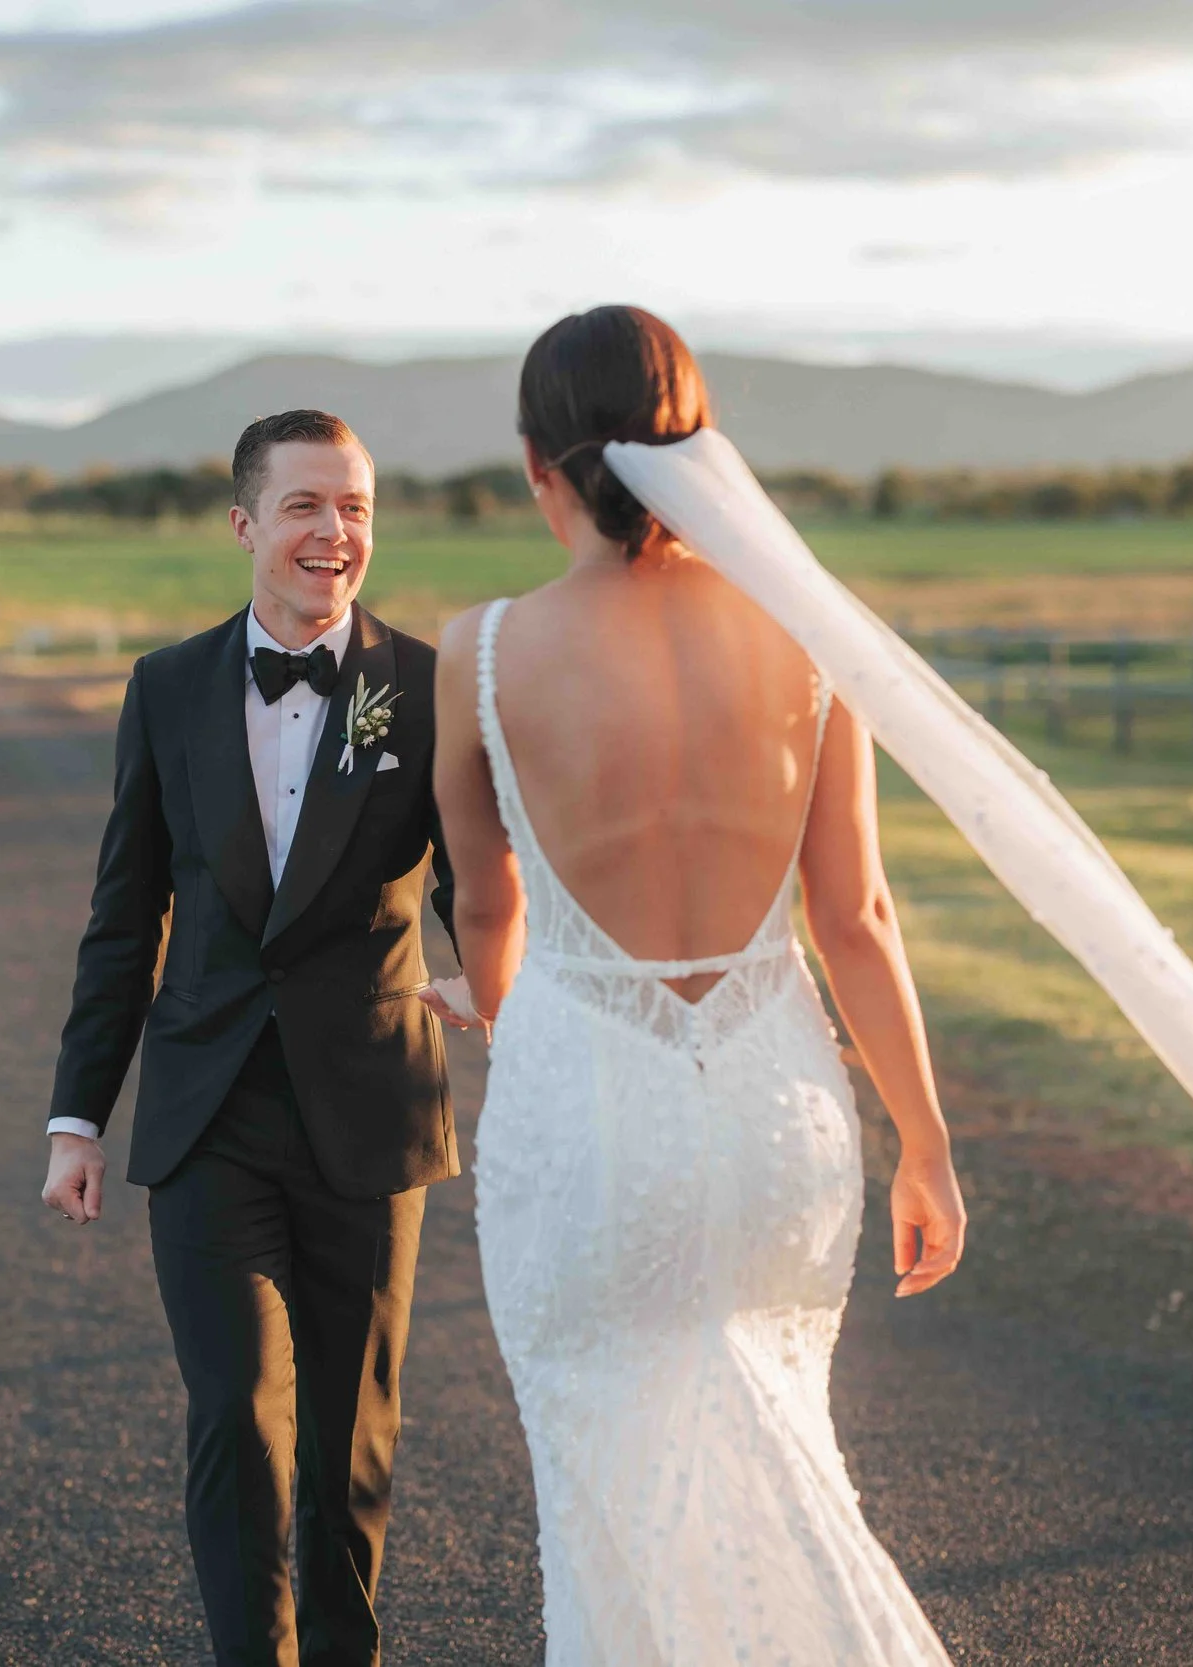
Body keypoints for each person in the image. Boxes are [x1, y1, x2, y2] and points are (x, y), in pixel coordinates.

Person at [433, 308, 966, 1664]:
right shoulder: (803, 632)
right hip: (776, 1105)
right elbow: (855, 916)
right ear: (695, 441)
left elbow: (487, 899)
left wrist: (483, 997)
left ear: (538, 463)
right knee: (784, 1448)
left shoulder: (483, 651)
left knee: (608, 1476)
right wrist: (927, 1139)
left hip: (587, 1110)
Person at [40, 409, 472, 1667]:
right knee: (236, 1412)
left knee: (349, 1441)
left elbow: (475, 886)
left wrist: (503, 979)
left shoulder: (423, 687)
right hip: (206, 1114)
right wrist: (78, 1116)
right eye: (304, 506)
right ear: (244, 524)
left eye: (355, 508)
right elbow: (125, 918)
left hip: (372, 1110)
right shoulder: (166, 688)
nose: (334, 532)